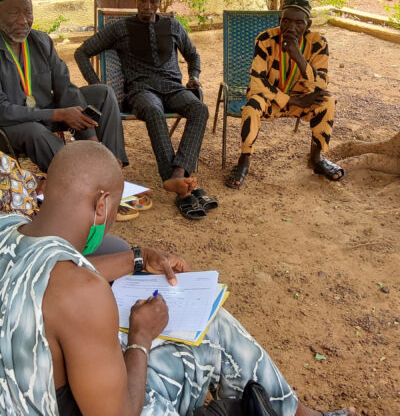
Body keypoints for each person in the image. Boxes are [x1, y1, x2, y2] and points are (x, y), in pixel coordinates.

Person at [0, 140, 358, 416]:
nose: (111, 221)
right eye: (114, 210)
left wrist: (137, 258)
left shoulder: (8, 228)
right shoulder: (82, 294)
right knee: (210, 335)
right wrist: (140, 338)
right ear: (101, 204)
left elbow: (50, 272)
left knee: (211, 324)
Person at [75, 0, 217, 220]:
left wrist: (193, 77)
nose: (148, 6)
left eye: (153, 1)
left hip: (173, 88)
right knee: (152, 109)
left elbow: (193, 55)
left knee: (199, 109)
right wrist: (97, 85)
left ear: (160, 2)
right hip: (141, 91)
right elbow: (82, 52)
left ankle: (177, 174)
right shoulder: (120, 28)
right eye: (143, 0)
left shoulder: (173, 26)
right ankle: (177, 182)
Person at [0, 0, 128, 173]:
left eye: (28, 12)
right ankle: (78, 174)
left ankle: (110, 165)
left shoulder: (41, 41)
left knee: (103, 94)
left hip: (45, 112)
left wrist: (91, 137)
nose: (23, 20)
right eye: (14, 13)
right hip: (11, 126)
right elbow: (3, 111)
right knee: (35, 131)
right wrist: (58, 114)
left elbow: (65, 87)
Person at [226, 0, 344, 189]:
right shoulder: (265, 39)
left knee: (327, 100)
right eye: (286, 21)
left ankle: (316, 158)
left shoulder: (318, 43)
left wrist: (298, 56)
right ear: (279, 20)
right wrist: (292, 101)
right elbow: (257, 82)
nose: (291, 27)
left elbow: (320, 84)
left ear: (308, 25)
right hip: (271, 101)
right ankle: (244, 160)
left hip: (304, 100)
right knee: (252, 106)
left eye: (299, 22)